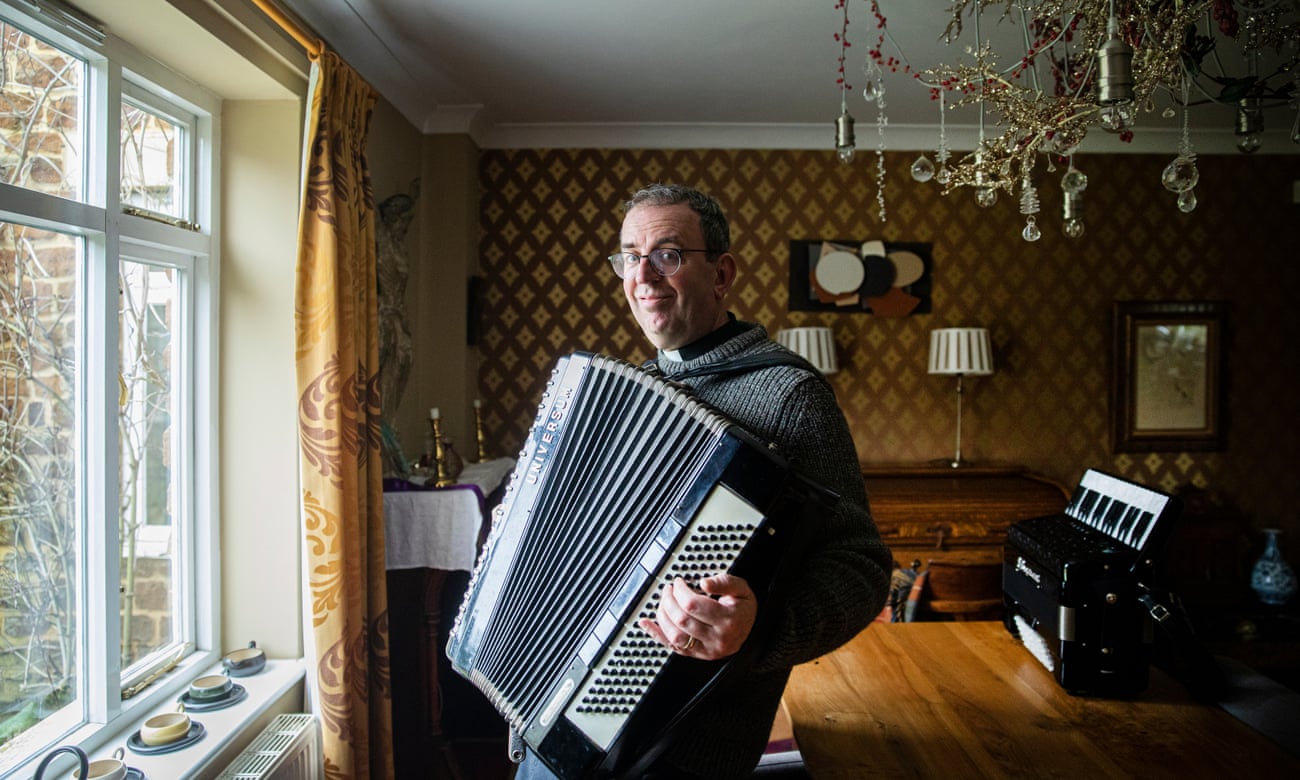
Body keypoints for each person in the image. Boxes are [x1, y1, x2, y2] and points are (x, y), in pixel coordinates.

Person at [515, 183, 892, 779]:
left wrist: (760, 630)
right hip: (551, 716)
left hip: (684, 753)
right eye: (629, 257)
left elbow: (862, 567)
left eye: (667, 254)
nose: (643, 276)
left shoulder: (790, 397)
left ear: (722, 274)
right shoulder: (622, 396)